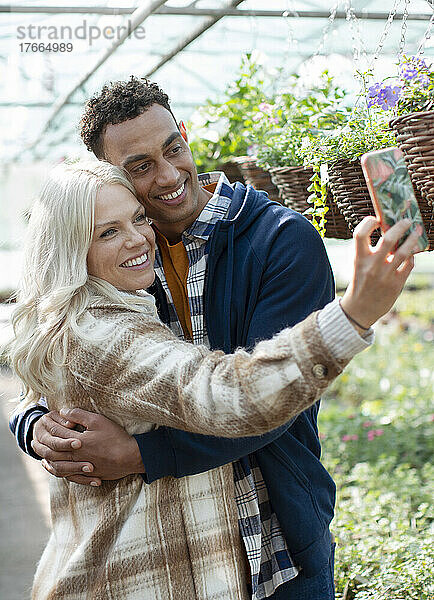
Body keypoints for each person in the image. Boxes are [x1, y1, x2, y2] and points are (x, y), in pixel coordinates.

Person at [7, 78, 415, 599]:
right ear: (111, 176)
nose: (169, 174)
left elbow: (260, 398)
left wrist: (141, 454)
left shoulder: (280, 240)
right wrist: (36, 423)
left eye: (172, 148)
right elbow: (60, 370)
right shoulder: (123, 258)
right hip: (186, 553)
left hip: (277, 537)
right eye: (139, 166)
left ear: (183, 133)